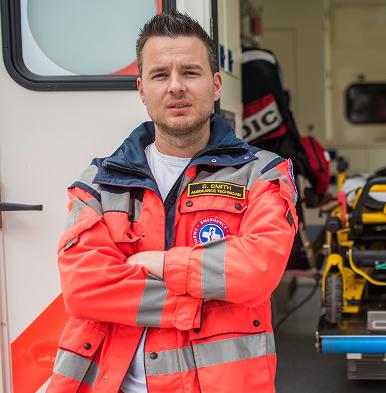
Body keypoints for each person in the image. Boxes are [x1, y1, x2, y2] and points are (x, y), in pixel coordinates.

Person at [48, 10, 297, 393]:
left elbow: (257, 270)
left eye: (190, 73)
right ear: (141, 89)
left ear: (216, 85)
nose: (176, 86)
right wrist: (200, 300)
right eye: (161, 75)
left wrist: (160, 263)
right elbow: (83, 288)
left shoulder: (262, 173)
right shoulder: (98, 183)